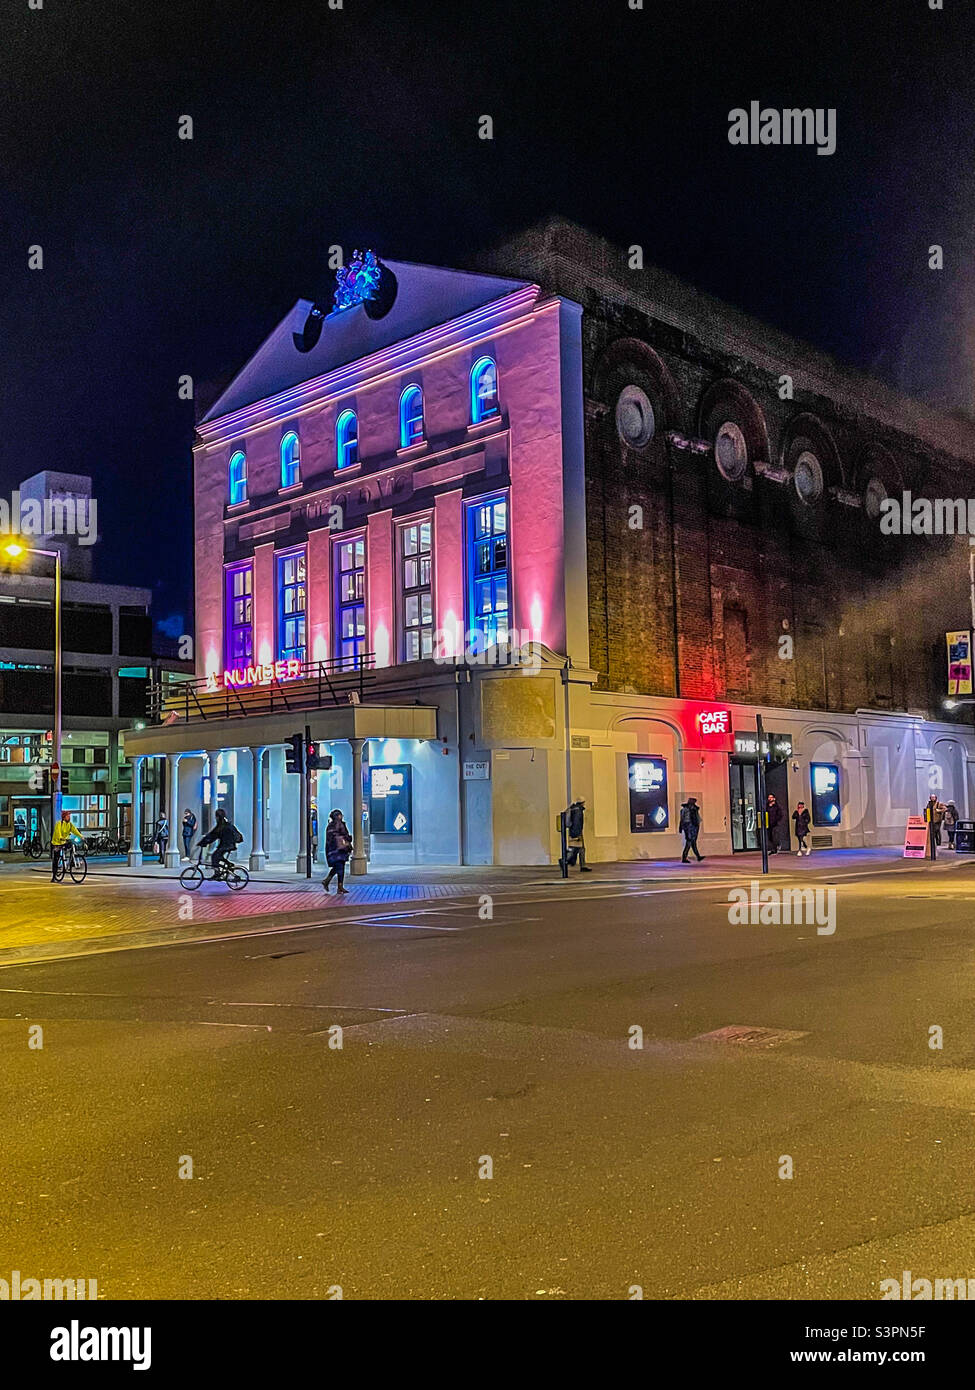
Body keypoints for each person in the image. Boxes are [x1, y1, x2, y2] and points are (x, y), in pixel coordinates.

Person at [197, 808, 243, 879]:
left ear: (217, 817)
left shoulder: (221, 826)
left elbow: (212, 836)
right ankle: (229, 864)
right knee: (218, 856)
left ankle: (217, 873)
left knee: (214, 857)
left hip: (225, 845)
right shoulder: (227, 824)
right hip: (229, 845)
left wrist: (203, 842)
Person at [323, 809, 352, 894]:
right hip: (339, 849)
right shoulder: (339, 824)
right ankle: (338, 886)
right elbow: (344, 835)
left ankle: (330, 882)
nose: (341, 816)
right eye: (340, 815)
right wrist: (348, 838)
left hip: (332, 850)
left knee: (338, 867)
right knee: (340, 867)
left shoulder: (330, 826)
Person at [50, 810, 83, 882]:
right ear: (64, 817)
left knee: (71, 845)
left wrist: (81, 836)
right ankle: (54, 876)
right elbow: (58, 832)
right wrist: (61, 837)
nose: (69, 817)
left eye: (69, 816)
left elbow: (75, 830)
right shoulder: (59, 824)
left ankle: (71, 861)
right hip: (57, 843)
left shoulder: (70, 824)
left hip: (64, 841)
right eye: (68, 816)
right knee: (56, 859)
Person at [563, 797, 592, 872]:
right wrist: (577, 835)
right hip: (576, 832)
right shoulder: (578, 811)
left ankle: (582, 865)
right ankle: (565, 861)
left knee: (580, 849)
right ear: (582, 802)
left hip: (573, 831)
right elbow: (577, 823)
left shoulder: (573, 809)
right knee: (576, 849)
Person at [679, 796, 703, 862]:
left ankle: (698, 857)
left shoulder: (694, 810)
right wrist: (682, 827)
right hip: (688, 827)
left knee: (693, 843)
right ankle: (684, 858)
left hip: (694, 827)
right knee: (689, 843)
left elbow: (697, 819)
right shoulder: (685, 810)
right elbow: (682, 819)